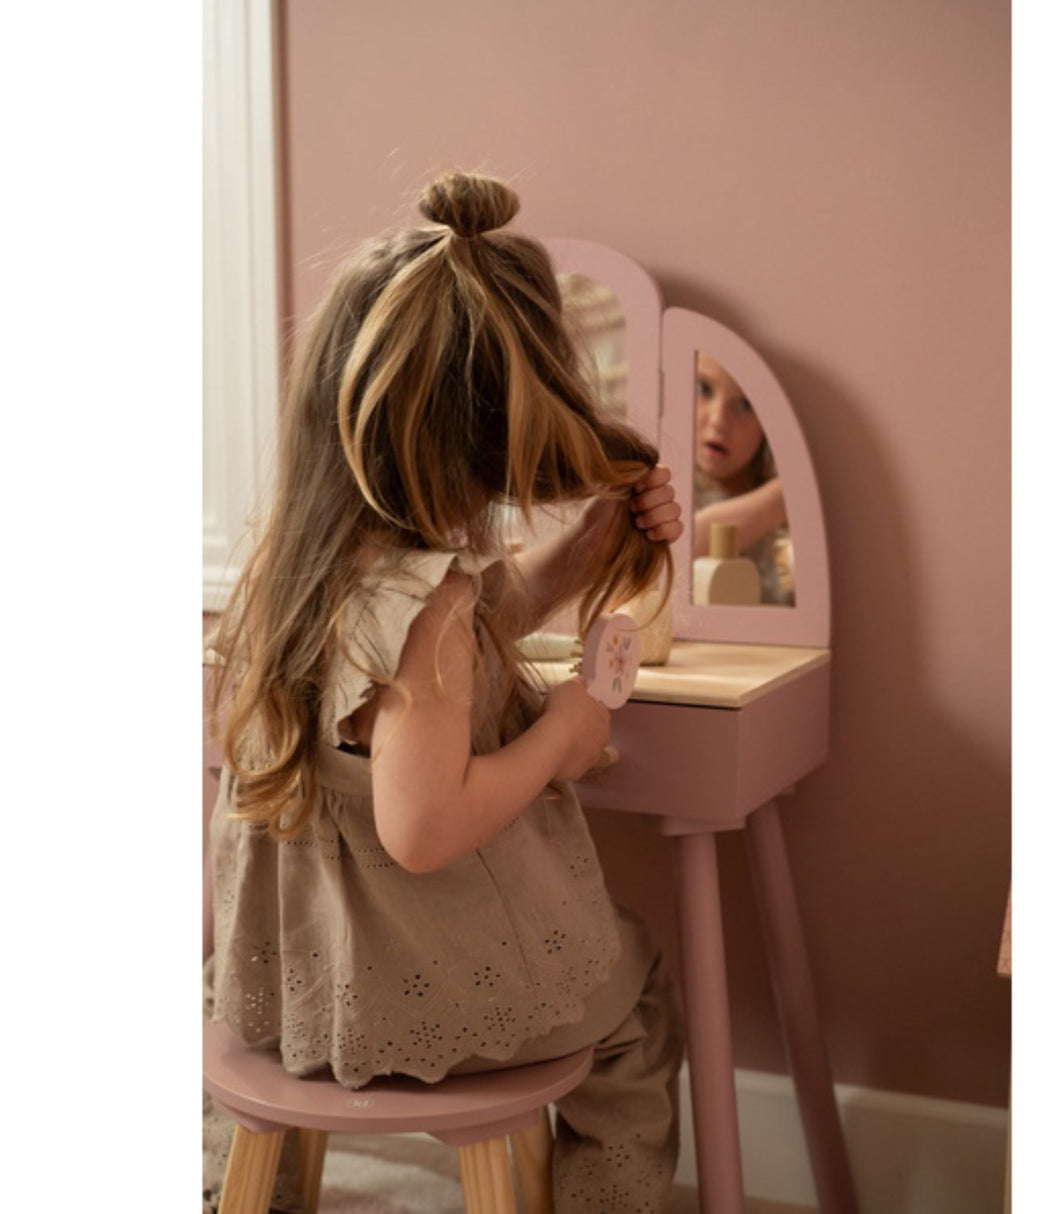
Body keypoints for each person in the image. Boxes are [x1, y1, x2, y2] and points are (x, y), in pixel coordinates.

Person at [203, 171, 686, 1214]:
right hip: (412, 995)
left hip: (293, 991)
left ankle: (233, 1186)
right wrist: (562, 732)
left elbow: (412, 683)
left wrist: (561, 567)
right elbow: (424, 827)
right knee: (636, 984)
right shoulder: (430, 608)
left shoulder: (298, 569)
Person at [692, 351, 794, 604]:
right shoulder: (666, 488)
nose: (718, 421)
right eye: (703, 388)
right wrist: (788, 495)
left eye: (746, 405)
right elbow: (676, 551)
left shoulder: (784, 528)